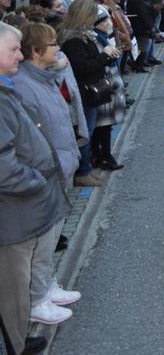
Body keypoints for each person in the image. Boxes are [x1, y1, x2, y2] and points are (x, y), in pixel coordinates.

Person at [0, 22, 70, 354]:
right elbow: (4, 164)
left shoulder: (7, 87)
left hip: (25, 200)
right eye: (13, 49)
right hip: (15, 205)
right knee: (14, 284)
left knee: (22, 275)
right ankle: (16, 344)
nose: (21, 54)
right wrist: (36, 180)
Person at [58, 0, 119, 188]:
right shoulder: (72, 39)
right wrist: (104, 57)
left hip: (90, 88)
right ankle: (82, 171)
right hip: (83, 91)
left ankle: (86, 168)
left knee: (89, 130)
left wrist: (107, 57)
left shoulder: (82, 34)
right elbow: (82, 67)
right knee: (85, 131)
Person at [91, 5, 127, 170]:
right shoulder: (96, 38)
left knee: (105, 123)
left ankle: (101, 154)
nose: (108, 22)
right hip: (103, 83)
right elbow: (101, 60)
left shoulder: (103, 37)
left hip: (109, 81)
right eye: (104, 20)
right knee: (103, 122)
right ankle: (104, 155)